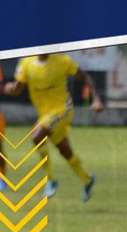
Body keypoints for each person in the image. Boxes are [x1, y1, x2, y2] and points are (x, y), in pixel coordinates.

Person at [2, 53, 104, 201]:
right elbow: (18, 88)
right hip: (45, 114)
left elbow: (85, 77)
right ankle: (87, 179)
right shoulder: (26, 63)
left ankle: (50, 180)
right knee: (64, 149)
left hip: (63, 109)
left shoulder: (62, 61)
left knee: (37, 136)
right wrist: (10, 88)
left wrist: (96, 99)